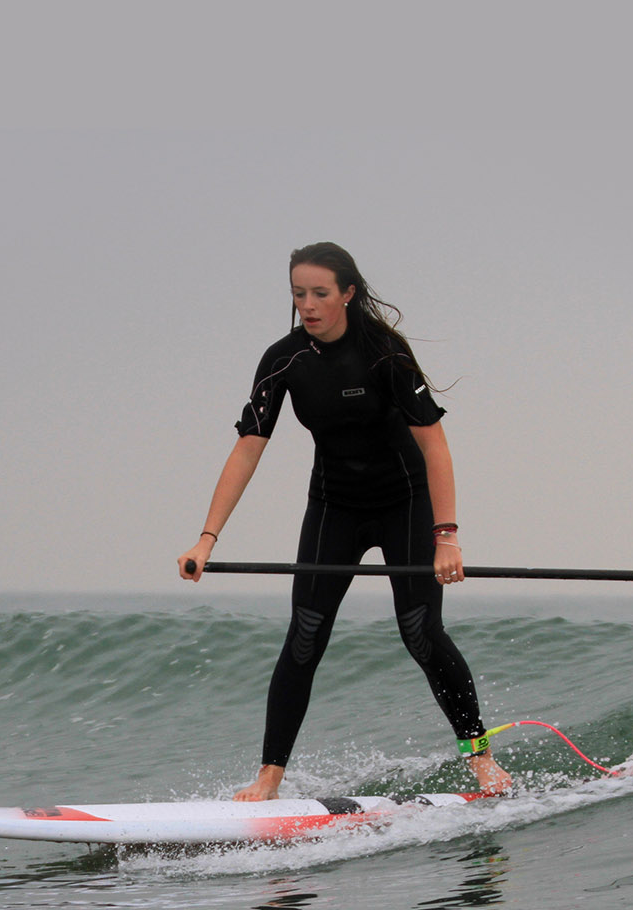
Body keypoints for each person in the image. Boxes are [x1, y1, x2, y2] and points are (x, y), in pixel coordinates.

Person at [177, 242, 512, 801]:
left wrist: (447, 535)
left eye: (319, 293)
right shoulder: (284, 359)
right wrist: (206, 539)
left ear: (348, 293)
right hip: (335, 506)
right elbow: (248, 447)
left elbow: (434, 444)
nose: (307, 305)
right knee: (305, 634)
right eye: (298, 294)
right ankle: (269, 778)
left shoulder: (383, 351)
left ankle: (480, 757)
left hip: (405, 502)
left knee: (421, 632)